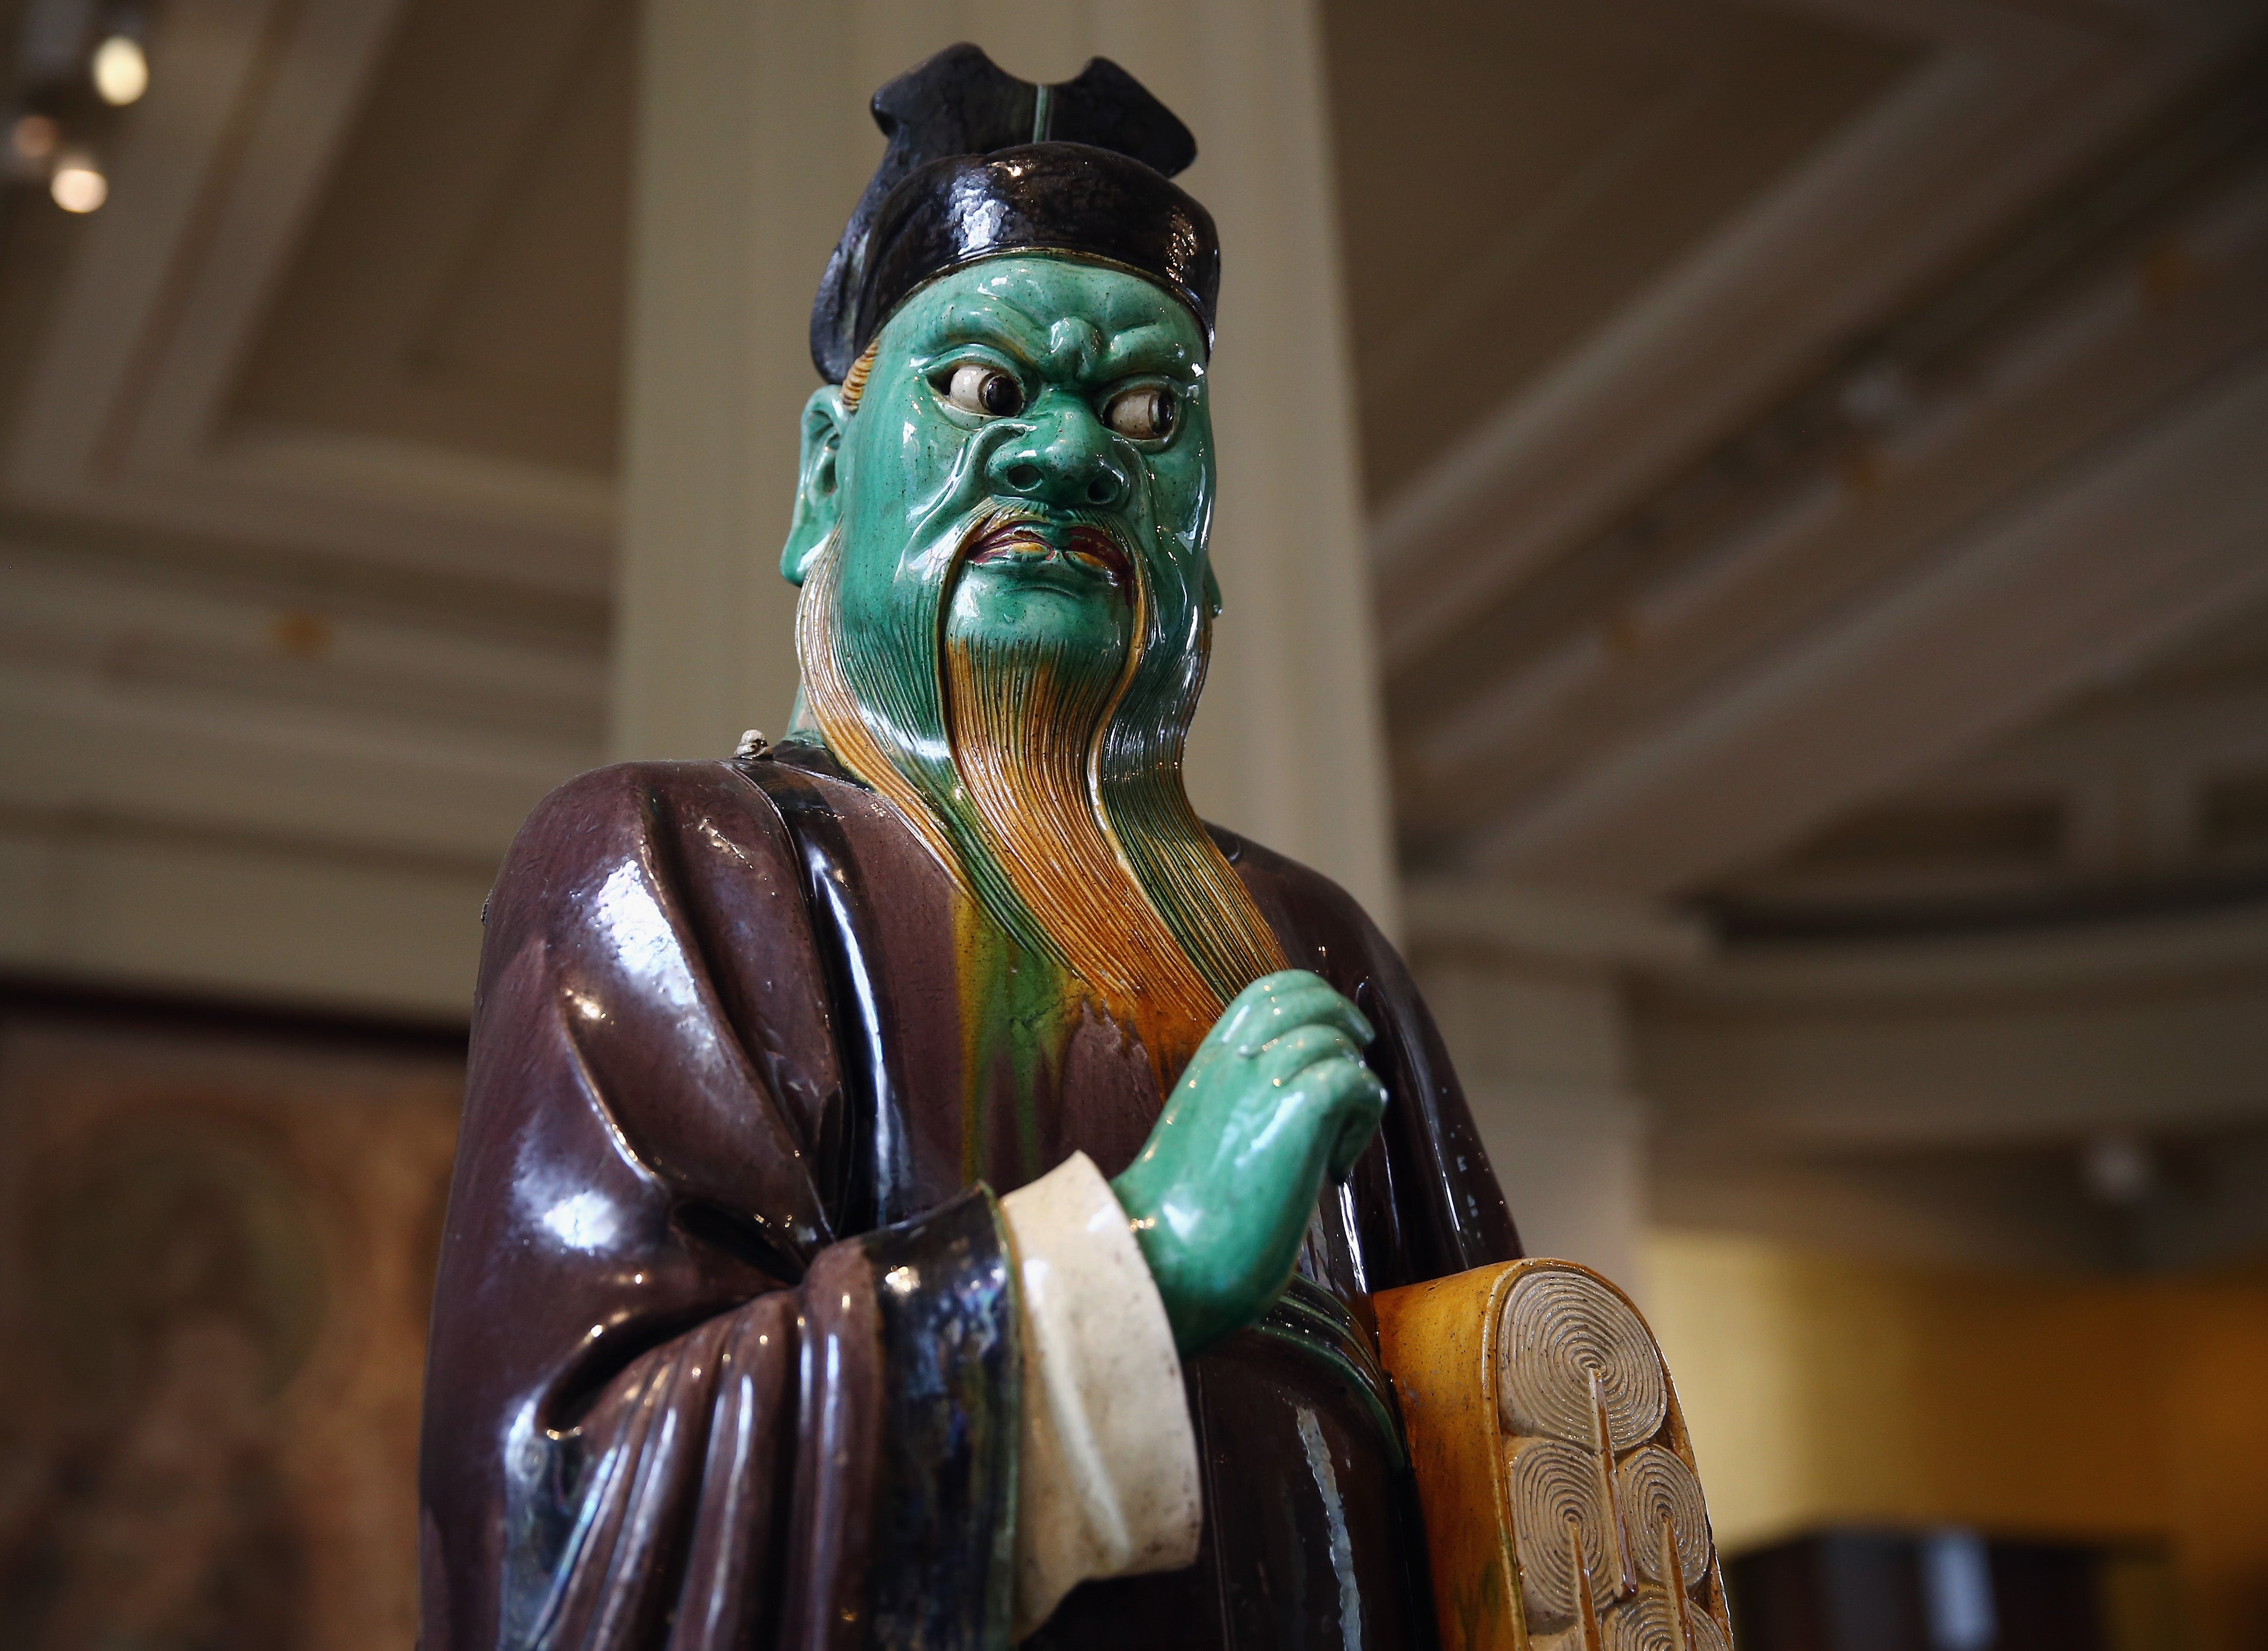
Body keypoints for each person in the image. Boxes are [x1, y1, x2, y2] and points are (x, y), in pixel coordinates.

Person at [418, 44, 1519, 1651]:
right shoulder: (686, 869)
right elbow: (567, 1512)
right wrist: (1137, 1265)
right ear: (821, 479)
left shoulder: (1313, 941)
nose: (1075, 459)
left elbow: (1501, 1448)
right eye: (987, 391)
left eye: (1150, 415)